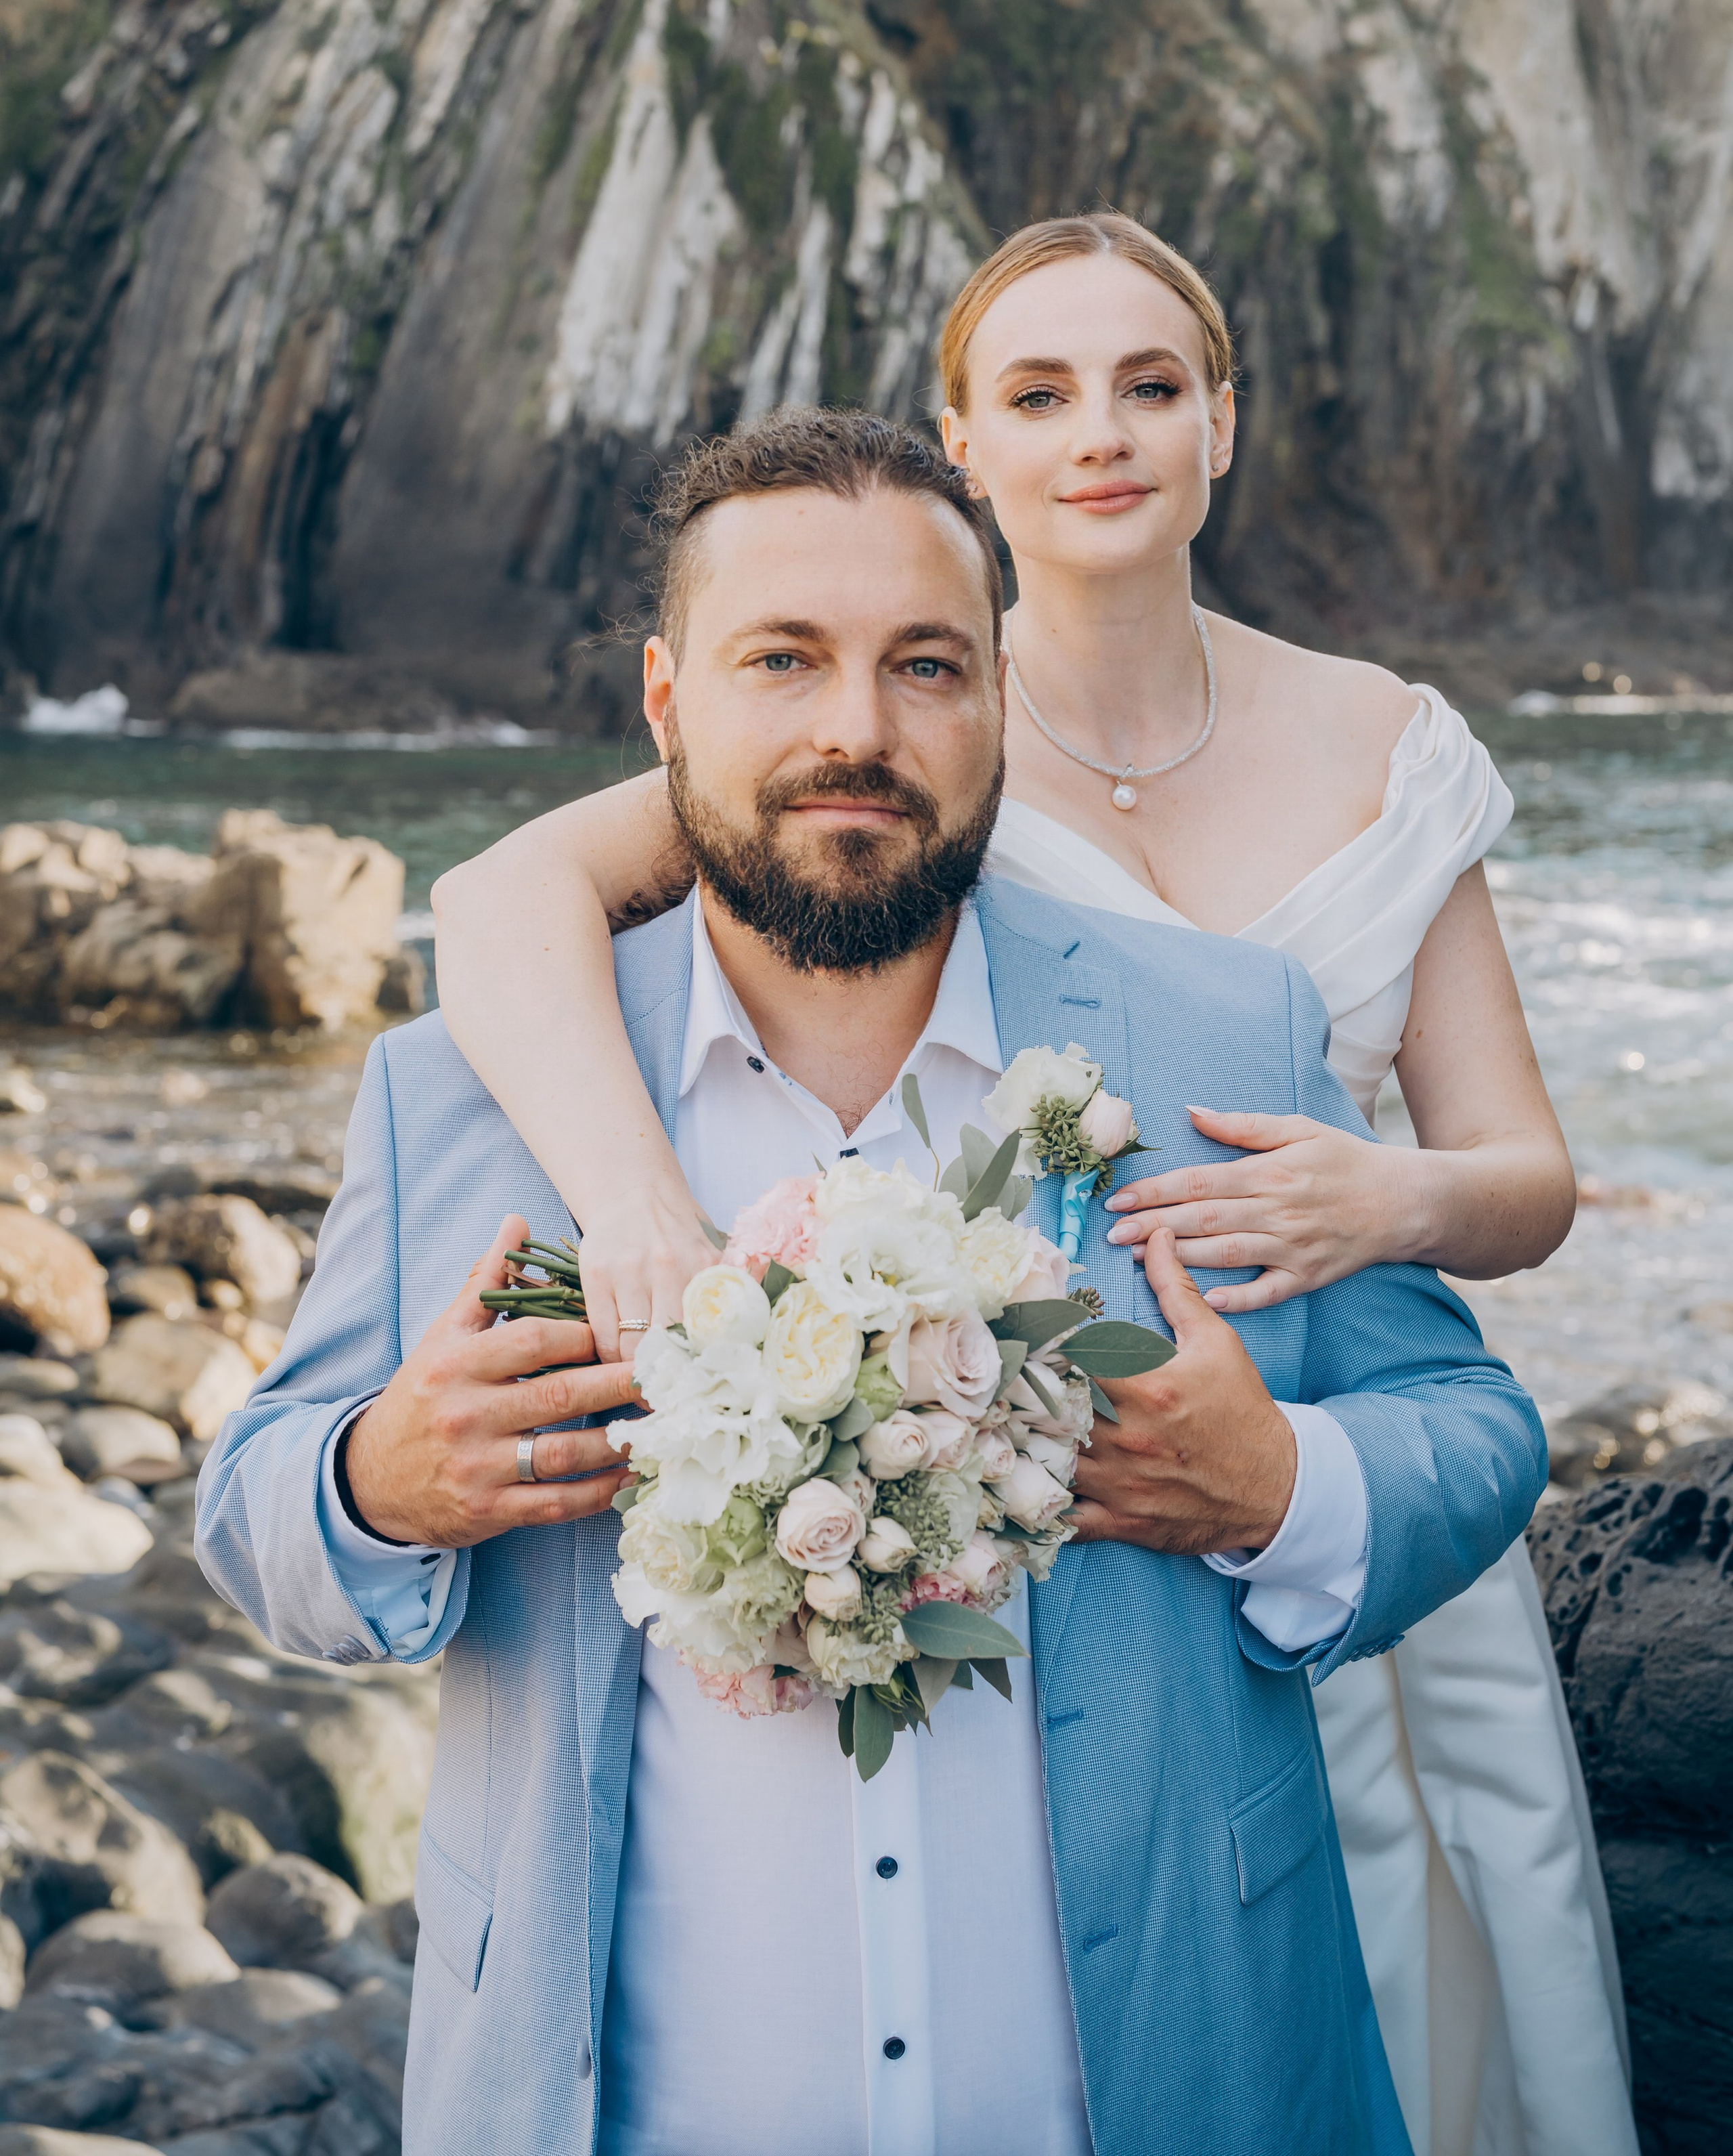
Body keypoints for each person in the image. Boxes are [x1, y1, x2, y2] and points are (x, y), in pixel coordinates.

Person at [198, 411, 1549, 2156]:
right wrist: (378, 1482)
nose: (859, 729)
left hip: (1184, 2082)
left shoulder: (1222, 1032)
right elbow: (254, 1513)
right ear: (667, 702)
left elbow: (1472, 1425)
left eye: (924, 664)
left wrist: (1284, 1487)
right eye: (785, 660)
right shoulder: (464, 1091)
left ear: (1000, 696)